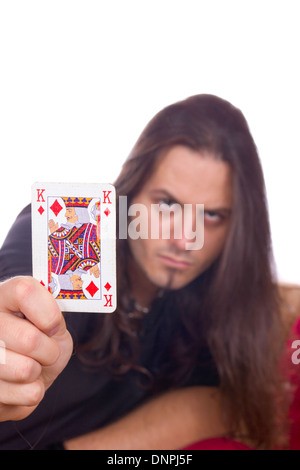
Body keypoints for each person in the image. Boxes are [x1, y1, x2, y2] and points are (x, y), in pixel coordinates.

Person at [0, 94, 290, 450]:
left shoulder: (214, 300)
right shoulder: (75, 232)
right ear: (129, 194)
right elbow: (17, 304)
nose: (185, 240)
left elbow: (216, 406)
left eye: (212, 215)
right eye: (167, 204)